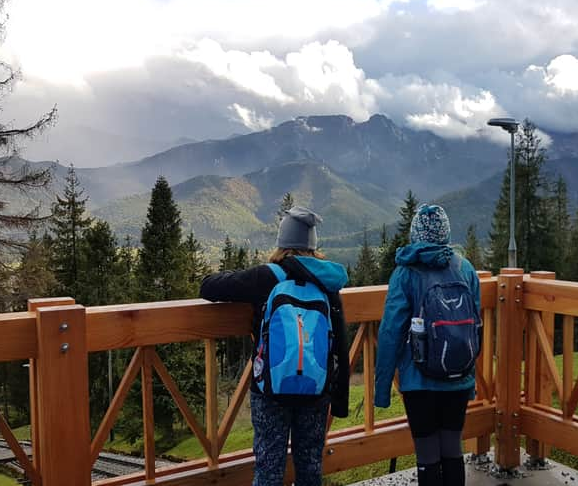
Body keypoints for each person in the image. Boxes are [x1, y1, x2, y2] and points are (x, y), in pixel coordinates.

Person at [200, 206, 349, 486]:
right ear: (312, 245)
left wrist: (236, 274)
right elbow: (340, 341)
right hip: (316, 388)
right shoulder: (328, 282)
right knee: (309, 467)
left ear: (282, 242)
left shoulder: (267, 277)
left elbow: (207, 287)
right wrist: (339, 399)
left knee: (269, 468)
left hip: (269, 388)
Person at [374, 204, 481, 486]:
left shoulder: (405, 273)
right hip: (458, 377)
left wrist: (381, 389)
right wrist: (470, 381)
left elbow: (390, 333)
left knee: (427, 452)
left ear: (415, 234)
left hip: (418, 379)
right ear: (445, 233)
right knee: (452, 447)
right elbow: (476, 326)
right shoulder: (465, 268)